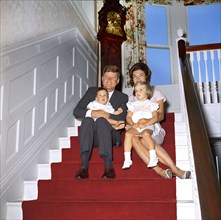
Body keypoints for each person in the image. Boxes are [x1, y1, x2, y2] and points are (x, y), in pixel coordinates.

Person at [127, 62, 191, 179]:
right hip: (137, 130)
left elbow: (161, 116)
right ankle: (158, 170)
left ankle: (175, 169)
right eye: (134, 76)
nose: (137, 78)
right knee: (134, 139)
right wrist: (129, 124)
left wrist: (147, 120)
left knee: (144, 140)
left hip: (153, 129)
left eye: (141, 75)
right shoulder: (131, 98)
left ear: (146, 76)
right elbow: (130, 118)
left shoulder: (156, 93)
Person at [73, 65, 128, 179]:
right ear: (102, 78)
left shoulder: (122, 97)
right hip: (91, 135)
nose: (109, 80)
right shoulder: (92, 91)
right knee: (87, 120)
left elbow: (121, 119)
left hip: (110, 135)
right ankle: (84, 167)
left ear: (117, 81)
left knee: (102, 121)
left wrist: (105, 115)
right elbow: (77, 111)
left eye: (113, 78)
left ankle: (108, 167)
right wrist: (94, 113)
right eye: (107, 77)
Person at [122, 82, 159, 169]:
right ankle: (127, 159)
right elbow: (128, 117)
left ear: (147, 92)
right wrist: (132, 124)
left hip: (147, 126)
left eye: (141, 90)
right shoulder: (133, 105)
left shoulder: (151, 104)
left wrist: (146, 123)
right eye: (136, 90)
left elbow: (155, 118)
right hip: (136, 126)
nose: (138, 92)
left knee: (145, 134)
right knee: (128, 134)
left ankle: (153, 157)